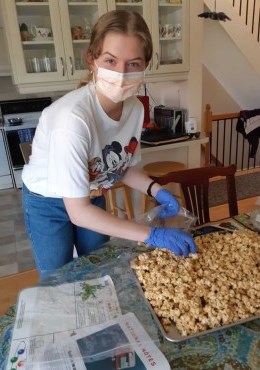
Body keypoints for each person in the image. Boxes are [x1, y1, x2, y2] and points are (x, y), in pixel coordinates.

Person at [22, 10, 196, 279]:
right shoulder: (72, 119)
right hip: (47, 202)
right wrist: (153, 234)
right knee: (58, 278)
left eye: (134, 63)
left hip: (92, 192)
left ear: (146, 66)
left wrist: (156, 189)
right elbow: (79, 213)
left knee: (99, 266)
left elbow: (122, 168)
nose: (121, 73)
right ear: (92, 60)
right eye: (111, 61)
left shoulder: (136, 109)